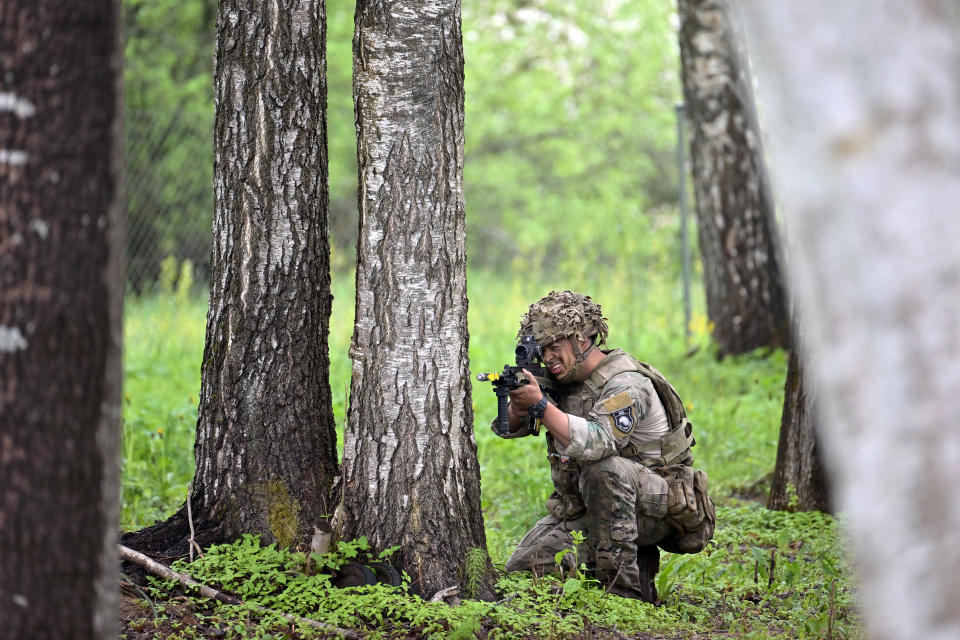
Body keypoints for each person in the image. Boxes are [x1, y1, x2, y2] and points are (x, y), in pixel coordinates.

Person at [494, 290, 701, 602]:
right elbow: (509, 429)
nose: (548, 357)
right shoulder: (564, 380)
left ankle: (624, 593)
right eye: (542, 349)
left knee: (604, 469)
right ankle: (619, 564)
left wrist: (541, 406)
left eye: (555, 346)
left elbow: (598, 443)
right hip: (596, 506)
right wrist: (520, 403)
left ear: (581, 339)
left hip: (657, 510)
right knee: (526, 570)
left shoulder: (626, 384)